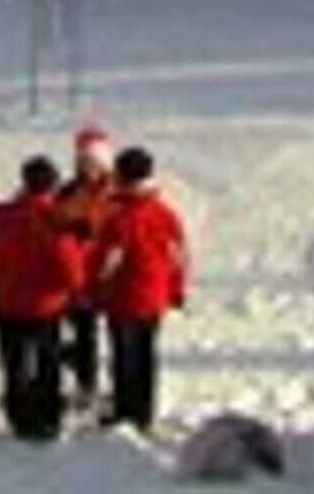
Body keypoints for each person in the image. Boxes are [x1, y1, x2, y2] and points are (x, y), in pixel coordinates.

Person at [0, 153, 87, 441]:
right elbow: (69, 268)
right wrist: (75, 289)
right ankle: (46, 416)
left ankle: (19, 415)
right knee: (47, 362)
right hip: (45, 306)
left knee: (14, 362)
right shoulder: (55, 221)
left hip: (5, 301)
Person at [93, 144, 190, 438]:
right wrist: (176, 289)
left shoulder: (120, 217)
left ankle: (125, 411)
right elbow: (179, 256)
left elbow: (109, 259)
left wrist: (96, 288)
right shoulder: (165, 213)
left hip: (124, 297)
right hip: (155, 296)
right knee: (147, 353)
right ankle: (144, 410)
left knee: (124, 356)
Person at [54, 126, 120, 418]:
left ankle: (118, 387)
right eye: (83, 162)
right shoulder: (68, 191)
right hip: (78, 274)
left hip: (111, 273)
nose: (88, 169)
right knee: (83, 333)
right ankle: (86, 384)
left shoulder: (116, 192)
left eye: (94, 163)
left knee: (121, 336)